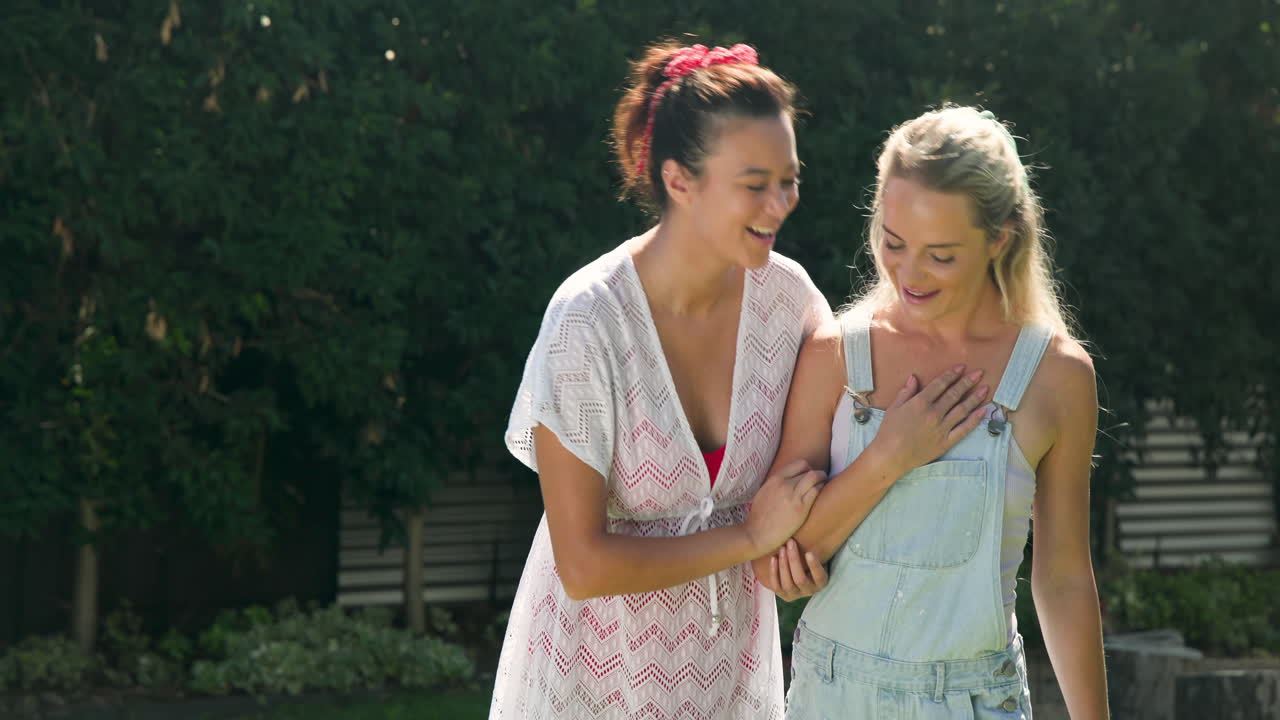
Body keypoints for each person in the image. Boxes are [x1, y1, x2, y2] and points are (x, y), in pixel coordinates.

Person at [490, 40, 833, 719]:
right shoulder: (588, 322)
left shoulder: (793, 305)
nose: (781, 203)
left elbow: (802, 502)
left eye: (789, 179)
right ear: (679, 181)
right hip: (585, 685)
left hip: (731, 683)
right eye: (755, 183)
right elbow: (583, 565)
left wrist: (800, 553)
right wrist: (748, 541)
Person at [752, 105, 1110, 719]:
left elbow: (1064, 578)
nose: (908, 273)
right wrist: (894, 453)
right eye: (893, 243)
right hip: (832, 695)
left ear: (999, 238)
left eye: (941, 255)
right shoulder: (835, 355)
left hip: (976, 700)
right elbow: (775, 556)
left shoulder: (1058, 378)